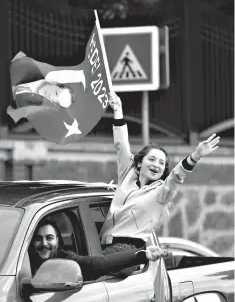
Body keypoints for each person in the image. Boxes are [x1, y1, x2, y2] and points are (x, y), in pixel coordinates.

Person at [100, 92, 220, 260]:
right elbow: (122, 145)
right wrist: (118, 110)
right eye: (152, 159)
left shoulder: (161, 193)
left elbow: (175, 177)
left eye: (161, 163)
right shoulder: (127, 173)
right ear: (139, 163)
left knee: (90, 266)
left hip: (129, 251)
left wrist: (196, 156)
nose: (156, 165)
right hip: (105, 245)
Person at [28, 219, 167, 282]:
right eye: (38, 239)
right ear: (31, 241)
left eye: (49, 238)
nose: (44, 243)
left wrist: (142, 254)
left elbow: (100, 263)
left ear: (57, 240)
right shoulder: (20, 258)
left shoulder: (66, 258)